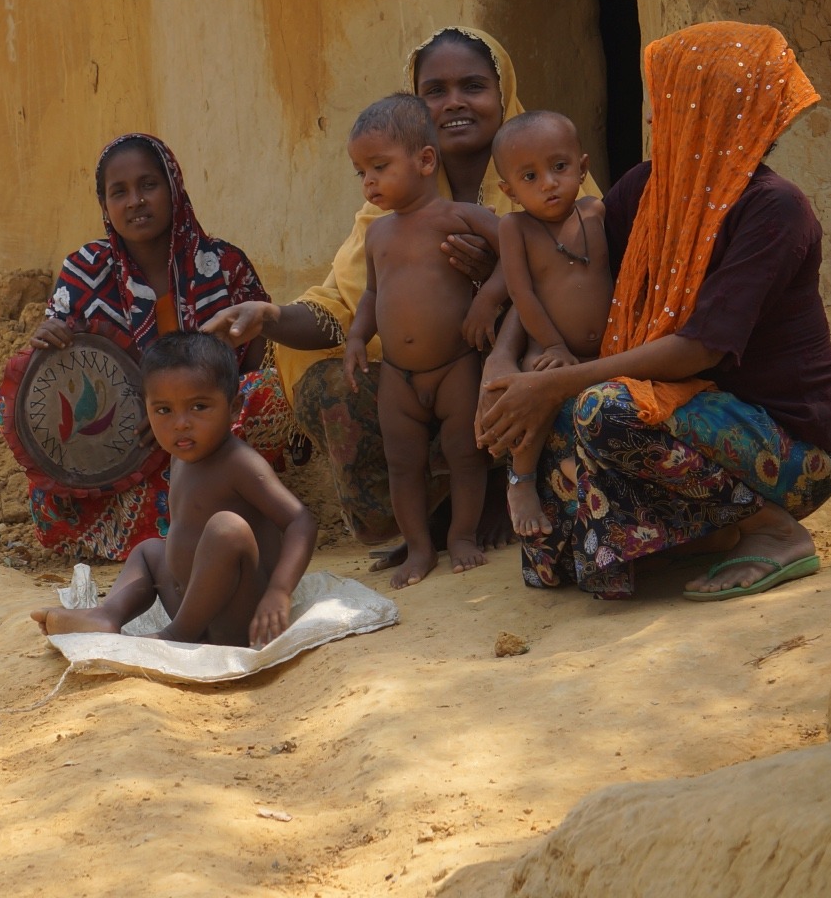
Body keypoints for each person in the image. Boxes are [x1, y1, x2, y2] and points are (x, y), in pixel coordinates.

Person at [476, 22, 831, 602]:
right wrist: (506, 363)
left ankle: (771, 528)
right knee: (554, 559)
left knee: (600, 408)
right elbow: (561, 272)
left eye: (673, 102)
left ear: (715, 111)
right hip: (679, 412)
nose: (657, 119)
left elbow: (699, 348)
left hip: (786, 443)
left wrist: (553, 386)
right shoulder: (649, 189)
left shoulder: (775, 210)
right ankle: (711, 530)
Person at [201, 28, 598, 557]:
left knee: (542, 368)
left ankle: (514, 491)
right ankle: (426, 518)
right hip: (428, 375)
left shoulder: (553, 177)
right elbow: (345, 305)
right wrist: (269, 315)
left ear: (504, 95)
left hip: (526, 355)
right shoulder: (384, 210)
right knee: (330, 383)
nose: (454, 102)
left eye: (473, 86)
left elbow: (585, 286)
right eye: (435, 90)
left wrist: (491, 288)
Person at [0, 133, 294, 560]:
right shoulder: (84, 271)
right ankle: (200, 521)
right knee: (43, 476)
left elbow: (254, 366)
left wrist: (183, 415)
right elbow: (64, 374)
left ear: (173, 188)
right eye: (120, 192)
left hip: (209, 441)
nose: (136, 200)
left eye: (148, 185)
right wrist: (44, 350)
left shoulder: (225, 266)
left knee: (269, 395)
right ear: (105, 205)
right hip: (129, 453)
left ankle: (202, 513)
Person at [31, 332, 317, 645]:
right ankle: (108, 615)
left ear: (234, 408)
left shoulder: (239, 463)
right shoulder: (181, 454)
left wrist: (278, 591)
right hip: (192, 604)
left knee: (228, 528)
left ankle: (175, 635)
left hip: (238, 619)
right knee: (149, 550)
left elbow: (299, 521)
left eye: (198, 407)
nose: (180, 423)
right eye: (164, 410)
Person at [343, 95, 501, 585]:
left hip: (456, 365)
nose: (369, 182)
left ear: (425, 161)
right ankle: (418, 548)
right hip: (398, 374)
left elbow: (519, 256)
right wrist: (355, 337)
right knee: (402, 463)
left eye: (379, 167)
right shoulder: (377, 234)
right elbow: (373, 291)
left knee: (465, 455)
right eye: (360, 172)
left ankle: (462, 536)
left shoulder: (462, 217)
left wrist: (487, 299)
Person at [486, 110, 612, 538]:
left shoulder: (597, 211)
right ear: (509, 190)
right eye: (530, 177)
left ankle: (597, 477)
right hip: (547, 342)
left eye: (559, 168)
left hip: (606, 347)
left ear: (583, 166)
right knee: (534, 394)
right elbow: (522, 296)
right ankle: (520, 481)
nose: (549, 183)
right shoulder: (516, 227)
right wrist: (554, 346)